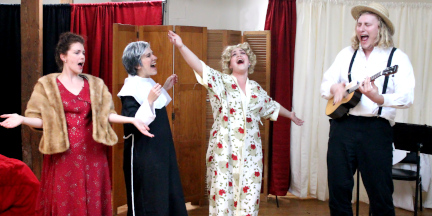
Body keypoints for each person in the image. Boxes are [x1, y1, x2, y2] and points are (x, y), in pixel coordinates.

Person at [0, 32, 153, 216]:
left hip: (93, 155)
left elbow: (107, 115)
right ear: (63, 56)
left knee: (92, 201)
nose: (82, 57)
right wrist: (22, 119)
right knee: (66, 202)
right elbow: (41, 120)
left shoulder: (96, 85)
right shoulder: (46, 85)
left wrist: (132, 119)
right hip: (63, 156)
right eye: (77, 52)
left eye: (83, 53)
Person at [168, 30, 304, 215]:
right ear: (229, 63)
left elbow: (272, 106)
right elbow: (200, 67)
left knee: (248, 202)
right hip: (224, 151)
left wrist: (291, 115)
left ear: (249, 62)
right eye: (234, 54)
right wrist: (181, 46)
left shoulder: (256, 89)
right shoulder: (221, 81)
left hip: (251, 155)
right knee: (223, 200)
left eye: (243, 54)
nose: (239, 55)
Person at [320, 2, 415, 215]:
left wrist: (378, 97)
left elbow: (407, 97)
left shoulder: (397, 58)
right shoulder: (346, 54)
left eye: (367, 25)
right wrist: (335, 87)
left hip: (376, 130)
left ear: (380, 28)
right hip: (342, 127)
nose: (361, 28)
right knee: (338, 188)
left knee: (380, 192)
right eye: (359, 24)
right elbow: (325, 86)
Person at [118, 41, 188, 215]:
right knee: (150, 198)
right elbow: (134, 125)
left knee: (165, 194)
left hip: (162, 151)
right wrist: (149, 100)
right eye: (148, 55)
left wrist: (164, 88)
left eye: (152, 53)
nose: (154, 57)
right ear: (136, 64)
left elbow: (155, 109)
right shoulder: (130, 89)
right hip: (145, 155)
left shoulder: (147, 82)